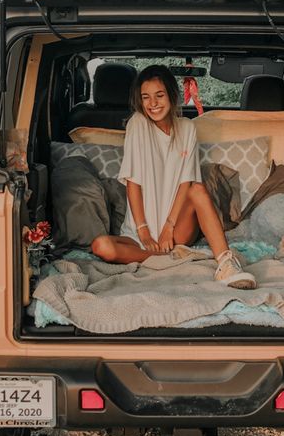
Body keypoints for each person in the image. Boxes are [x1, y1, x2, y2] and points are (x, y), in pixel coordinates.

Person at [90, 64, 256, 289]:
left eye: (159, 95)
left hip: (177, 230)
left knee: (197, 188)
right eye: (146, 97)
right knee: (101, 246)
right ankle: (161, 259)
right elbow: (133, 183)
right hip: (139, 235)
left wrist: (169, 227)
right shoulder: (137, 124)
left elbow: (186, 183)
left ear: (172, 95)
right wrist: (144, 232)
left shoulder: (187, 128)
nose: (153, 103)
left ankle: (226, 264)